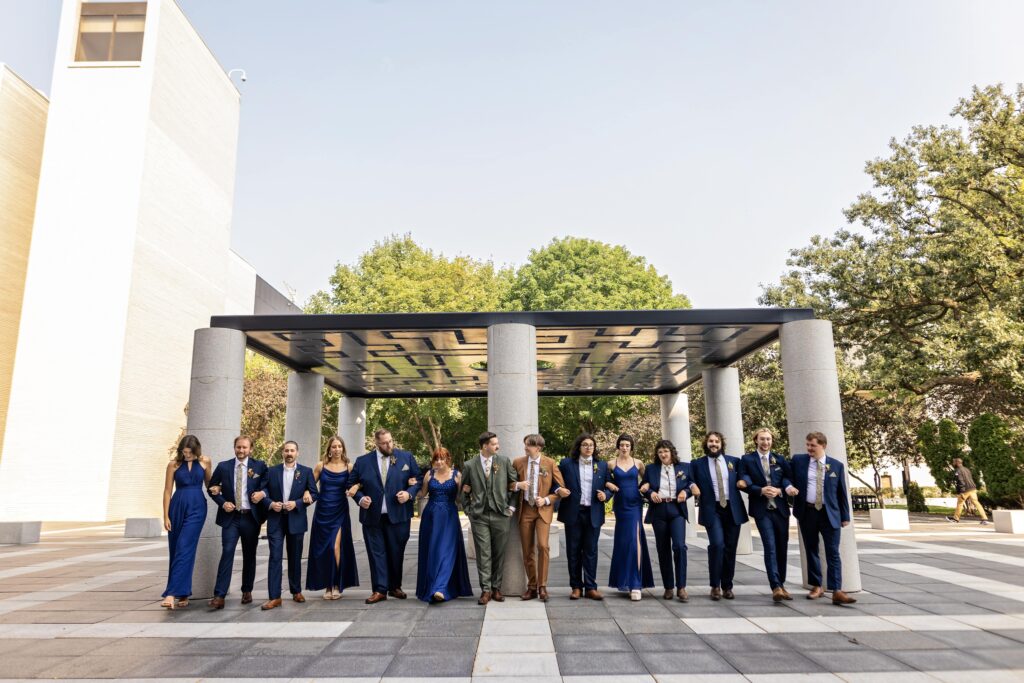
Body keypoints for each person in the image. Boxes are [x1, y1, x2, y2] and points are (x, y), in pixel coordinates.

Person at [349, 428, 422, 604]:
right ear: (376, 443)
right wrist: (360, 499)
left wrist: (409, 493)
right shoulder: (362, 461)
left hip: (399, 515)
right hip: (372, 516)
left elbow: (418, 479)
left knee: (396, 552)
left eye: (390, 441)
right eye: (384, 443)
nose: (389, 445)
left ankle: (395, 586)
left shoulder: (406, 457)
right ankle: (380, 589)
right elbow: (350, 484)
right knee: (376, 554)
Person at [785, 432, 856, 606]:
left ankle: (837, 590)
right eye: (807, 445)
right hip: (807, 512)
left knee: (833, 552)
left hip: (830, 514)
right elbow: (786, 476)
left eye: (813, 445)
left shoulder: (836, 466)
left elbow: (842, 493)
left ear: (823, 446)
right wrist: (789, 487)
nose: (809, 448)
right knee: (811, 549)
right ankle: (817, 586)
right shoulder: (798, 461)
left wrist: (845, 516)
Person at [206, 435, 268, 609]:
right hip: (231, 517)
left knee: (249, 554)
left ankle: (247, 590)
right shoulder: (223, 466)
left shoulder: (259, 466)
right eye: (238, 447)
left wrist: (262, 494)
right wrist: (222, 502)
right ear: (234, 448)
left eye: (244, 448)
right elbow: (211, 488)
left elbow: (267, 485)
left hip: (251, 517)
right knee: (227, 552)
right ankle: (219, 595)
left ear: (251, 449)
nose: (241, 450)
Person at [460, 431, 518, 604]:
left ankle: (496, 588)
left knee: (499, 553)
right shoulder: (470, 465)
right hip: (479, 516)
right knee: (483, 554)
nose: (497, 446)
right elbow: (463, 490)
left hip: (501, 514)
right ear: (485, 446)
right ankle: (485, 590)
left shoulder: (504, 461)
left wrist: (511, 508)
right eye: (494, 444)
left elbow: (514, 486)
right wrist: (469, 511)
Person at [688, 431, 747, 600]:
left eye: (717, 441)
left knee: (730, 548)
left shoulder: (734, 462)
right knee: (717, 545)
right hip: (712, 509)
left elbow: (745, 477)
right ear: (706, 444)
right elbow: (689, 479)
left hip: (732, 509)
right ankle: (715, 585)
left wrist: (745, 482)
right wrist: (692, 486)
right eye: (711, 441)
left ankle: (727, 586)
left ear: (721, 444)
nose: (714, 444)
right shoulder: (697, 464)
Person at [261, 440, 318, 610]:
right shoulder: (271, 471)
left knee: (295, 558)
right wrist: (271, 504)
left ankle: (296, 591)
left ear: (297, 453)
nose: (289, 453)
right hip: (276, 520)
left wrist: (298, 503)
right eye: (286, 450)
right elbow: (264, 492)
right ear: (282, 453)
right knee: (275, 557)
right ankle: (274, 596)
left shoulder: (306, 472)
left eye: (292, 450)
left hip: (296, 519)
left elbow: (314, 494)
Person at [738, 428, 794, 602]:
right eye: (762, 439)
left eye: (768, 439)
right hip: (762, 510)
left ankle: (782, 584)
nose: (766, 442)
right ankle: (775, 586)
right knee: (769, 546)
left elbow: (787, 478)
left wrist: (781, 490)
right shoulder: (747, 459)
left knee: (781, 547)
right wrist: (760, 490)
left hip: (780, 509)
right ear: (756, 440)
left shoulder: (780, 459)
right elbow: (744, 481)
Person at [513, 433, 567, 602]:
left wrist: (545, 500)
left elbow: (560, 488)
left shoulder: (550, 463)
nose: (525, 447)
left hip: (543, 511)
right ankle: (532, 587)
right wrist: (517, 485)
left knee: (543, 546)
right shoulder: (518, 463)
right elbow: (508, 483)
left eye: (528, 444)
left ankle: (542, 586)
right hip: (525, 510)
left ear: (538, 447)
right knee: (527, 550)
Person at [160, 435, 212, 609]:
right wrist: (165, 516)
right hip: (177, 507)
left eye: (190, 452)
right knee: (176, 549)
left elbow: (210, 484)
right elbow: (167, 491)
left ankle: (171, 593)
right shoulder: (173, 465)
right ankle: (183, 593)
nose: (187, 455)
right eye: (184, 452)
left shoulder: (205, 462)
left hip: (197, 508)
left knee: (184, 546)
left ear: (196, 451)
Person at [557, 433, 612, 600]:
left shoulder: (602, 465)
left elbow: (610, 485)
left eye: (591, 445)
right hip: (573, 512)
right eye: (585, 445)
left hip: (593, 512)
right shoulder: (567, 464)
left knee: (591, 551)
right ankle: (575, 587)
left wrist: (606, 495)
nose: (589, 447)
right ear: (579, 447)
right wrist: (558, 490)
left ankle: (590, 587)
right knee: (573, 551)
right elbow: (555, 482)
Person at [416, 447, 473, 603]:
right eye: (436, 459)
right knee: (433, 552)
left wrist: (466, 490)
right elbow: (422, 494)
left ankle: (440, 589)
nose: (439, 462)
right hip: (431, 517)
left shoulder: (457, 475)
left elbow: (461, 499)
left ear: (448, 459)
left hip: (449, 517)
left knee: (446, 551)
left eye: (442, 459)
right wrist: (411, 486)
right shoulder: (429, 474)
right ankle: (434, 586)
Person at [306, 436, 359, 600]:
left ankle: (336, 584)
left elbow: (362, 481)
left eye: (339, 446)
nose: (337, 449)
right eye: (333, 447)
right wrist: (307, 492)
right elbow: (309, 484)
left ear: (343, 448)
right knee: (323, 549)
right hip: (322, 512)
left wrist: (356, 486)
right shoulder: (320, 466)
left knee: (334, 547)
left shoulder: (349, 467)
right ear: (329, 449)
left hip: (340, 511)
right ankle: (328, 586)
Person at [604, 433, 654, 601]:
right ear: (618, 446)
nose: (624, 447)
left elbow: (649, 480)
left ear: (631, 447)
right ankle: (623, 580)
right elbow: (602, 479)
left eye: (627, 445)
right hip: (620, 505)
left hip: (635, 504)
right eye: (622, 445)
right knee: (623, 542)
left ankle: (636, 584)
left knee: (635, 541)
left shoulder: (638, 463)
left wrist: (646, 485)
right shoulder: (611, 464)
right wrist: (608, 483)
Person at [640, 439, 691, 602]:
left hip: (676, 509)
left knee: (679, 546)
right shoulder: (651, 468)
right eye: (660, 451)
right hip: (659, 510)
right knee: (663, 549)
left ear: (672, 452)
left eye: (666, 451)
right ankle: (668, 587)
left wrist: (686, 492)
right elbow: (644, 486)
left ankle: (681, 587)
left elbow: (690, 484)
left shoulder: (684, 467)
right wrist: (650, 493)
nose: (663, 454)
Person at [946, 457, 990, 525]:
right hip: (972, 489)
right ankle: (985, 519)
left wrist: (961, 492)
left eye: (954, 462)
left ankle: (956, 519)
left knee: (960, 503)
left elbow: (961, 481)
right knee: (976, 503)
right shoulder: (967, 469)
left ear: (957, 463)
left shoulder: (958, 471)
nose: (953, 463)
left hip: (965, 490)